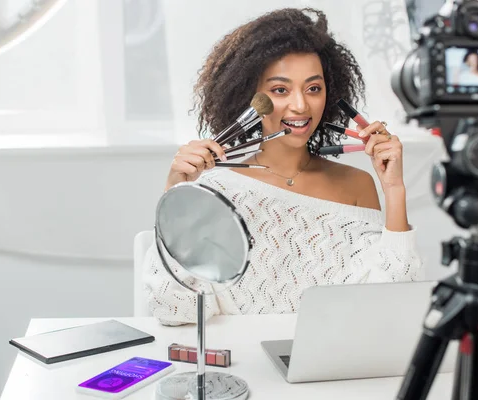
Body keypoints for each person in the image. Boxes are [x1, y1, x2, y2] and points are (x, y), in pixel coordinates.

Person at [143, 8, 424, 326]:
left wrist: (394, 190)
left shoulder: (357, 184)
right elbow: (175, 308)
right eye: (280, 90)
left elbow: (385, 307)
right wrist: (174, 193)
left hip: (328, 366)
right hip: (239, 367)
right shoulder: (213, 189)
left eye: (313, 88)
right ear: (249, 96)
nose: (301, 105)